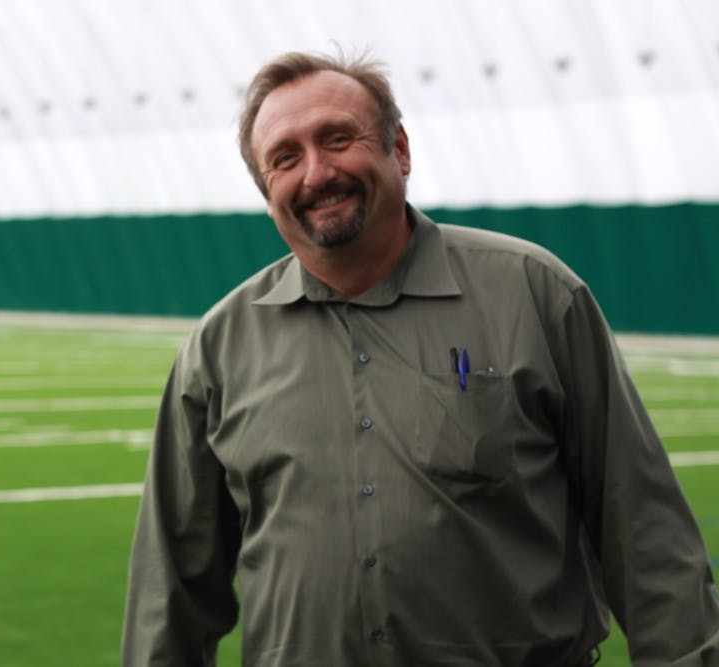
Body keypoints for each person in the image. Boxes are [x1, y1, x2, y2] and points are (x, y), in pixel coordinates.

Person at [121, 49, 719, 666]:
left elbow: (643, 529)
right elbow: (172, 587)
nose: (317, 173)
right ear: (266, 189)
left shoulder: (535, 294)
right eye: (285, 158)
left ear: (398, 150)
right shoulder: (219, 347)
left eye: (338, 139)